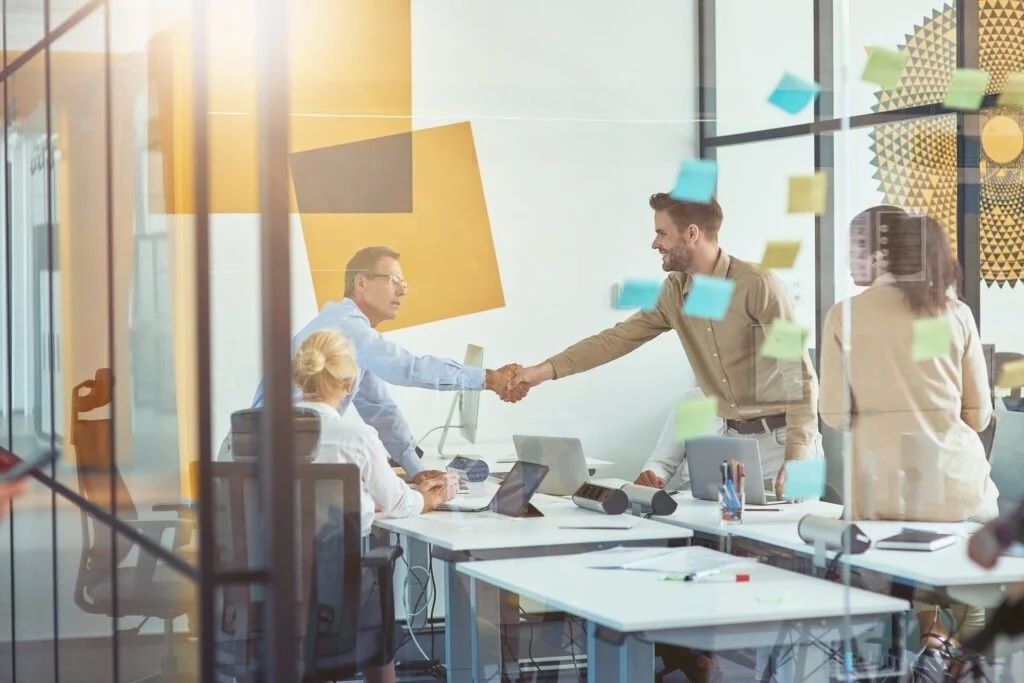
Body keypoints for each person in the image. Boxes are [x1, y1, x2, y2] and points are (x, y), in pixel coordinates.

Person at [511, 193, 822, 496]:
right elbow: (616, 339)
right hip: (732, 442)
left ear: (691, 234)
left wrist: (798, 456)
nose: (654, 243)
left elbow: (798, 374)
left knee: (795, 542)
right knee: (728, 542)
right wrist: (541, 371)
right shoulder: (674, 292)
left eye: (661, 233)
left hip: (787, 442)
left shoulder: (759, 284)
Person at [820, 207, 997, 671]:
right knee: (957, 572)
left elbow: (834, 414)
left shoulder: (846, 316)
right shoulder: (954, 313)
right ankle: (957, 654)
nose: (849, 260)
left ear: (881, 254)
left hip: (883, 493)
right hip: (955, 490)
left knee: (898, 567)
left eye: (856, 249)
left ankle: (926, 650)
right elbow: (978, 417)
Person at [253, 246, 526, 483]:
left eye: (404, 284)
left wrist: (416, 470)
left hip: (266, 458)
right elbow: (409, 368)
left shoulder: (350, 337)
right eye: (394, 280)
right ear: (361, 283)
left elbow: (380, 408)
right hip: (276, 462)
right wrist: (489, 379)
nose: (402, 291)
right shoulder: (347, 326)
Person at [293, 329, 457, 683]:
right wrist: (432, 497)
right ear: (349, 380)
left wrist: (364, 508)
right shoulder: (354, 437)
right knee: (372, 581)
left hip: (266, 584)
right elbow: (399, 502)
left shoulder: (254, 432)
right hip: (333, 587)